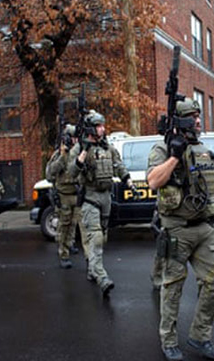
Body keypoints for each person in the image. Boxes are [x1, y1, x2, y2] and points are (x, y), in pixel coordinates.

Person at [147, 98, 214, 361]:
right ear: (181, 121)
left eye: (198, 116)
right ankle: (169, 341)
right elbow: (153, 181)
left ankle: (200, 335)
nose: (198, 121)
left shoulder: (203, 150)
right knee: (172, 287)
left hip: (205, 227)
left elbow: (212, 187)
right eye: (193, 117)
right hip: (176, 229)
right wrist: (174, 156)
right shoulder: (162, 148)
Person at [69, 110, 132, 296]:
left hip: (106, 197)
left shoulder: (107, 147)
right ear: (90, 129)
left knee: (102, 237)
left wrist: (127, 180)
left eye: (103, 126)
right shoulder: (80, 148)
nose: (103, 129)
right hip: (90, 197)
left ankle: (92, 268)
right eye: (98, 126)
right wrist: (83, 152)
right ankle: (101, 277)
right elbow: (71, 172)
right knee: (95, 238)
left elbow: (118, 165)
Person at [46, 124, 86, 269]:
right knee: (64, 225)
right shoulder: (60, 154)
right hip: (63, 195)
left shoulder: (79, 153)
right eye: (73, 138)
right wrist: (63, 156)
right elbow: (50, 173)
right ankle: (63, 253)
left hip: (76, 193)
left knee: (74, 223)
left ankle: (70, 244)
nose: (75, 141)